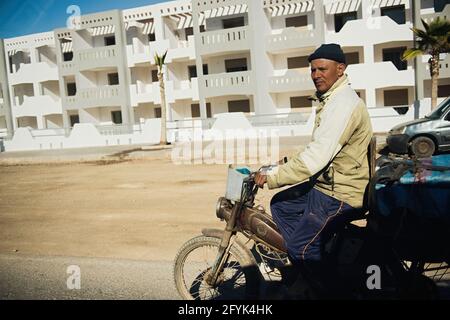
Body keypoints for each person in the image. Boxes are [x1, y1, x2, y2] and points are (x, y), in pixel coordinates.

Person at [255, 43, 373, 294]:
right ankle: (312, 259)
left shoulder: (343, 104)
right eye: (313, 70)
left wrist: (273, 177)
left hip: (341, 192)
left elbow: (316, 158)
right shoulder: (331, 100)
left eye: (322, 69)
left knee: (300, 246)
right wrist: (282, 164)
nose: (316, 74)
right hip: (326, 185)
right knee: (281, 205)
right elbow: (317, 147)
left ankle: (327, 288)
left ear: (340, 69)